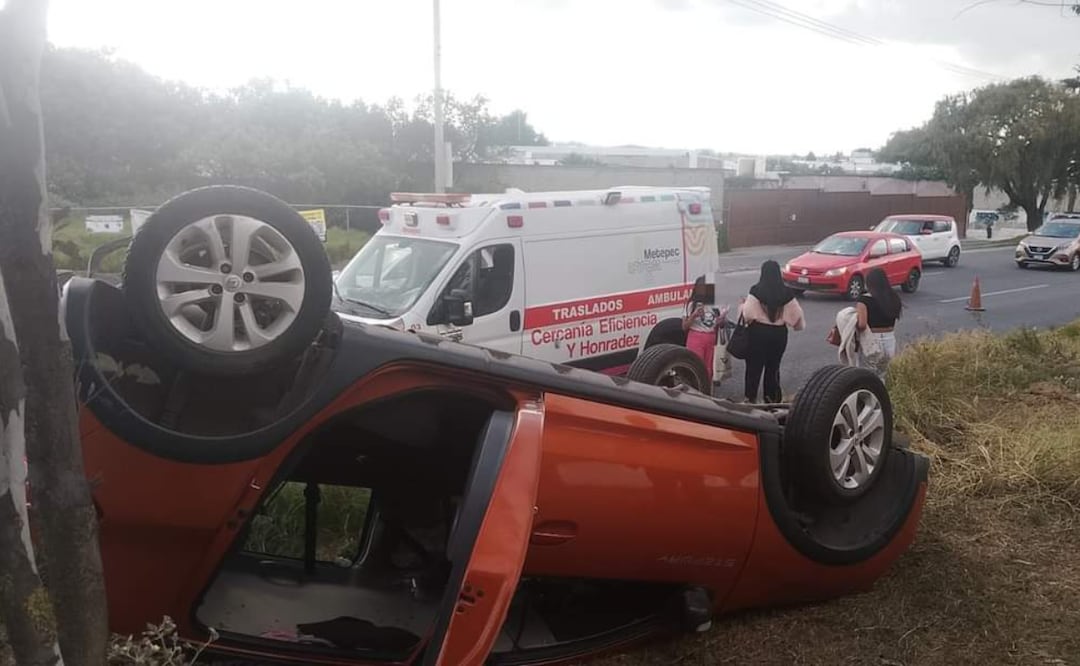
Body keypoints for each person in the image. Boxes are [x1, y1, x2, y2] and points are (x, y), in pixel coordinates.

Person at [738, 260, 805, 403]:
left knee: (754, 368)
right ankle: (771, 400)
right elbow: (797, 316)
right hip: (779, 335)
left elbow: (748, 315)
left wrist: (743, 305)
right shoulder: (787, 292)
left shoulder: (756, 290)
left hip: (758, 334)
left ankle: (750, 399)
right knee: (773, 368)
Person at [855, 267, 902, 377]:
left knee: (867, 373)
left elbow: (862, 325)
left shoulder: (864, 300)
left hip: (871, 338)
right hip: (889, 337)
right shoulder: (893, 297)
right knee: (885, 372)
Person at [681, 277, 728, 385]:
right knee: (696, 367)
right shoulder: (691, 304)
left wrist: (721, 320)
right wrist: (694, 315)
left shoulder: (716, 304)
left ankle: (707, 391)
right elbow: (684, 326)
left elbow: (720, 324)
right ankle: (695, 390)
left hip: (711, 337)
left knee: (709, 369)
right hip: (695, 337)